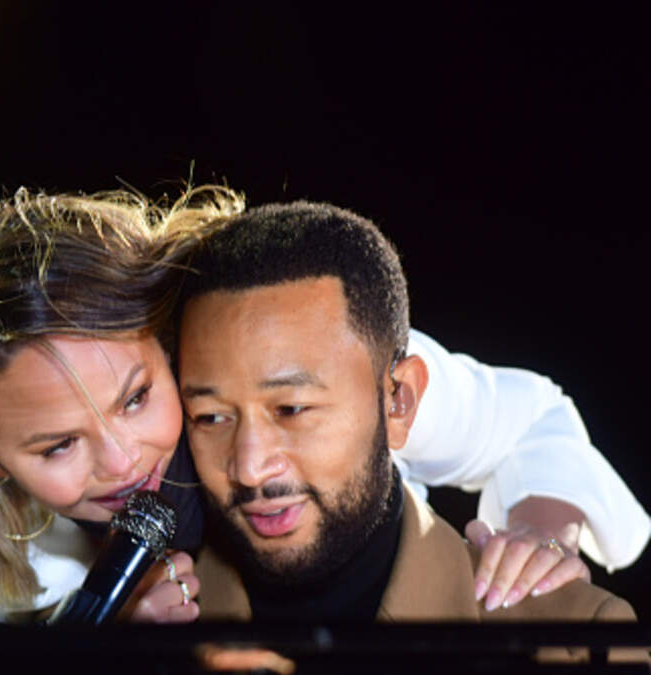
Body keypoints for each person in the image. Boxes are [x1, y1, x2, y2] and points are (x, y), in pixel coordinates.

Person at [0, 186, 648, 624]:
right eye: (58, 445)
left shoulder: (275, 358)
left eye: (139, 397)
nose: (124, 460)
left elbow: (532, 418)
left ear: (168, 338)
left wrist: (542, 536)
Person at [173, 200, 638, 629]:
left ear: (399, 400)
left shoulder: (365, 368)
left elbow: (533, 418)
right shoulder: (170, 404)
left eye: (292, 409)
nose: (250, 468)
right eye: (210, 417)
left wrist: (541, 540)